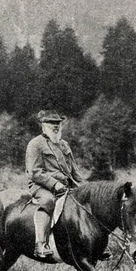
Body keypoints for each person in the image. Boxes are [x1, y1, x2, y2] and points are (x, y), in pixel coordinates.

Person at [25, 110, 83, 258]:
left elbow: (74, 171)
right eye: (51, 123)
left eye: (58, 123)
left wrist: (85, 187)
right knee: (48, 200)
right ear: (43, 125)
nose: (55, 126)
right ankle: (41, 244)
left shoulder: (64, 145)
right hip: (41, 186)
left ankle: (92, 245)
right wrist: (54, 184)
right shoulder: (35, 144)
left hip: (66, 186)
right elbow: (34, 172)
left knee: (88, 202)